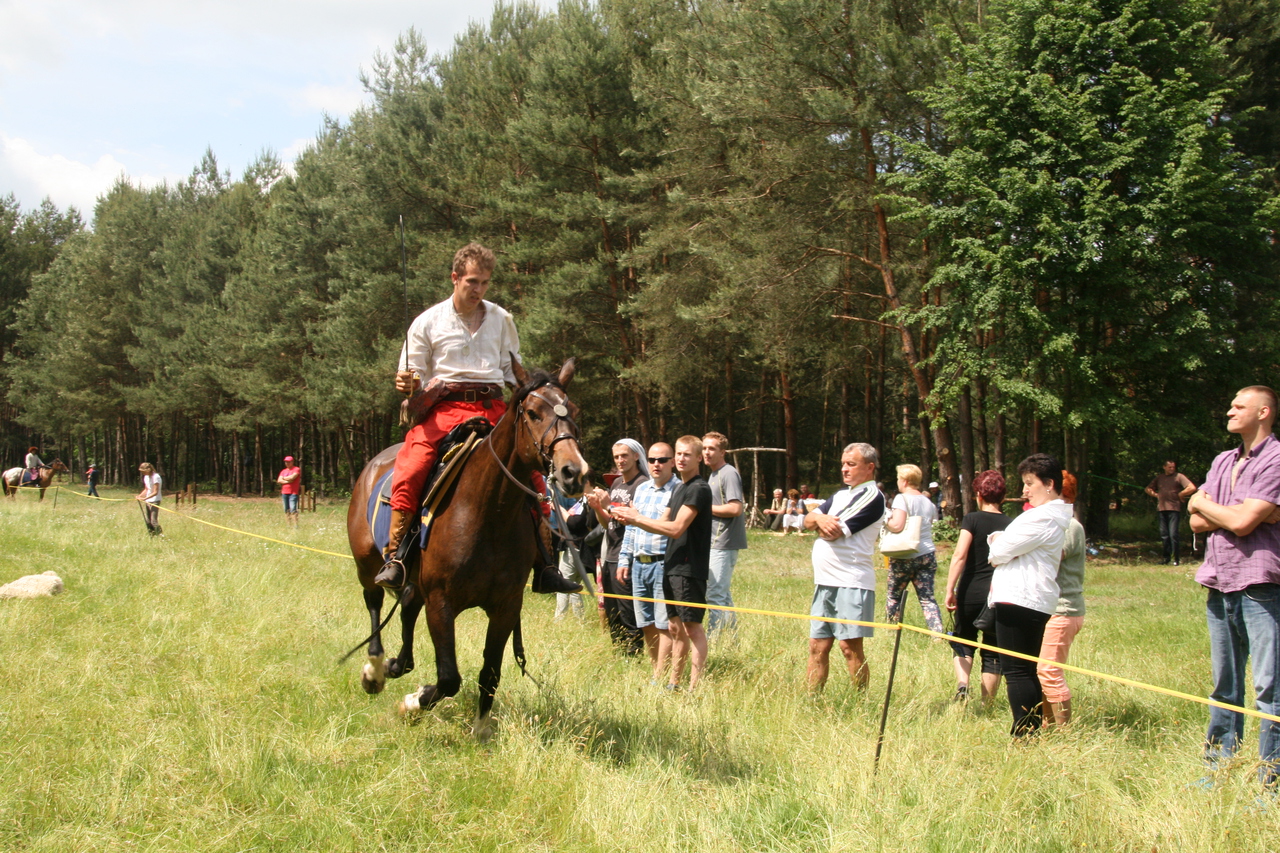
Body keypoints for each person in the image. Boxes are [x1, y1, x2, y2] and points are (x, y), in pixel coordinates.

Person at [374, 242, 577, 596]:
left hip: (493, 408)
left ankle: (544, 562)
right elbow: (412, 376)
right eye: (471, 282)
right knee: (412, 466)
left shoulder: (501, 319)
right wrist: (407, 382)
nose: (478, 289)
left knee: (531, 474)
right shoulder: (427, 321)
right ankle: (398, 556)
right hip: (443, 410)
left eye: (484, 282)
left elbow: (509, 369)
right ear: (455, 278)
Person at [1187, 385, 1280, 790]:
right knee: (1224, 686)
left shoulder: (1276, 458)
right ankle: (1216, 771)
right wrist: (1232, 510)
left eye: (1238, 406)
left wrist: (1208, 506)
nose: (1229, 410)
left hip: (1260, 586)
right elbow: (1195, 521)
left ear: (1263, 412)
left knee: (1269, 690)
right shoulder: (1222, 460)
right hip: (1219, 581)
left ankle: (1269, 783)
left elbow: (1241, 523)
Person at [612, 435, 712, 691]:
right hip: (671, 566)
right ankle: (672, 682)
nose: (681, 459)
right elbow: (660, 522)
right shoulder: (680, 489)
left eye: (686, 455)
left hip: (688, 567)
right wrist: (627, 517)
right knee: (674, 627)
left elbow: (676, 528)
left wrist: (636, 518)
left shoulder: (698, 488)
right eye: (679, 454)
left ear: (699, 458)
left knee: (692, 628)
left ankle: (694, 688)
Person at [987, 453, 1072, 736]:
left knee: (1016, 671)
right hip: (1025, 597)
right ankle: (1030, 732)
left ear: (1049, 484)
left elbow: (999, 552)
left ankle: (1025, 735)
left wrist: (997, 540)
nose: (1024, 490)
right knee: (1022, 669)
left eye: (1029, 483)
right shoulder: (1044, 516)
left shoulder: (1044, 517)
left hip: (1022, 598)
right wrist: (1000, 542)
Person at [804, 443, 887, 692]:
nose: (844, 469)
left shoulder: (872, 496)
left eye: (851, 464)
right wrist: (818, 518)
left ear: (869, 467)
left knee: (849, 648)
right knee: (817, 646)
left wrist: (818, 521)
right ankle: (812, 700)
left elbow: (833, 532)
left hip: (851, 582)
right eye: (843, 464)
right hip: (824, 582)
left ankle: (858, 702)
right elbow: (806, 519)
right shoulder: (840, 496)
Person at [943, 469, 1010, 703]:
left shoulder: (972, 519)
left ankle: (963, 687)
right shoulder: (1012, 524)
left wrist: (950, 588)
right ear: (1003, 496)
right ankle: (987, 702)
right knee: (993, 648)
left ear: (978, 494)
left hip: (971, 590)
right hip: (999, 592)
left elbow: (959, 555)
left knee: (964, 639)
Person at [618, 442, 679, 682]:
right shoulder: (642, 489)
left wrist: (637, 518)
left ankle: (659, 676)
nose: (656, 464)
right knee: (646, 623)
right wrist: (624, 558)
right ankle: (658, 668)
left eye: (662, 460)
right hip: (638, 563)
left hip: (663, 563)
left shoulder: (679, 490)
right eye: (652, 460)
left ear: (672, 462)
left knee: (664, 624)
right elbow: (632, 528)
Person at [586, 438, 649, 653]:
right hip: (610, 554)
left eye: (624, 455)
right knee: (612, 611)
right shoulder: (616, 484)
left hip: (629, 556)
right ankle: (619, 651)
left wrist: (607, 505)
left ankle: (634, 653)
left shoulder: (642, 485)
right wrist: (598, 509)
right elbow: (609, 523)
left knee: (628, 610)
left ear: (636, 456)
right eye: (616, 457)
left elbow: (633, 518)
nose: (620, 460)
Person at [1037, 470, 1086, 728]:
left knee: (1049, 671)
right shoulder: (1059, 523)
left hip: (1064, 610)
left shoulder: (1069, 526)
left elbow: (1050, 559)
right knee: (1042, 672)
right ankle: (1048, 727)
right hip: (1052, 609)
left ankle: (1064, 734)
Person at [881, 463, 944, 635]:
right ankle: (937, 632)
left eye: (899, 479)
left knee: (894, 596)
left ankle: (891, 631)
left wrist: (886, 517)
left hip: (904, 554)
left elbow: (897, 525)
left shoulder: (902, 498)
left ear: (905, 481)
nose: (898, 482)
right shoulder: (928, 501)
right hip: (926, 553)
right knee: (927, 598)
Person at [703, 432, 746, 635]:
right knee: (722, 595)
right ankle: (732, 641)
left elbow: (735, 508)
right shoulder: (713, 474)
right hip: (712, 542)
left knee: (715, 595)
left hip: (723, 543)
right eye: (704, 448)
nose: (706, 452)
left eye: (711, 449)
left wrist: (704, 508)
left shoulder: (728, 473)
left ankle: (714, 641)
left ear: (723, 452)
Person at [1145, 460, 1195, 565]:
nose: (1172, 469)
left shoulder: (1179, 476)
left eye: (1173, 467)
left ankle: (1175, 559)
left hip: (1174, 509)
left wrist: (1181, 494)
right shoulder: (1160, 478)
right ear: (1164, 467)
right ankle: (1166, 558)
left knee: (1173, 534)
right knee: (1164, 535)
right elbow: (1148, 489)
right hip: (1162, 509)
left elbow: (1191, 487)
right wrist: (1156, 495)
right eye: (1169, 467)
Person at [137, 462, 163, 535]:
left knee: (153, 521)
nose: (142, 473)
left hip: (155, 501)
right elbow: (147, 489)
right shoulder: (146, 477)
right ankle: (152, 535)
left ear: (148, 470)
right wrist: (139, 496)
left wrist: (145, 498)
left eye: (143, 471)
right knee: (148, 521)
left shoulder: (156, 477)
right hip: (148, 501)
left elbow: (155, 492)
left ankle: (160, 535)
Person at [277, 455, 301, 526]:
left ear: (292, 462)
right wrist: (287, 481)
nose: (287, 463)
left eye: (289, 462)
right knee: (286, 509)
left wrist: (283, 479)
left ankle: (295, 524)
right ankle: (288, 524)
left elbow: (292, 477)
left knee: (293, 509)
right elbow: (279, 480)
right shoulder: (283, 471)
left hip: (293, 493)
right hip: (284, 492)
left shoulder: (296, 469)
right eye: (286, 462)